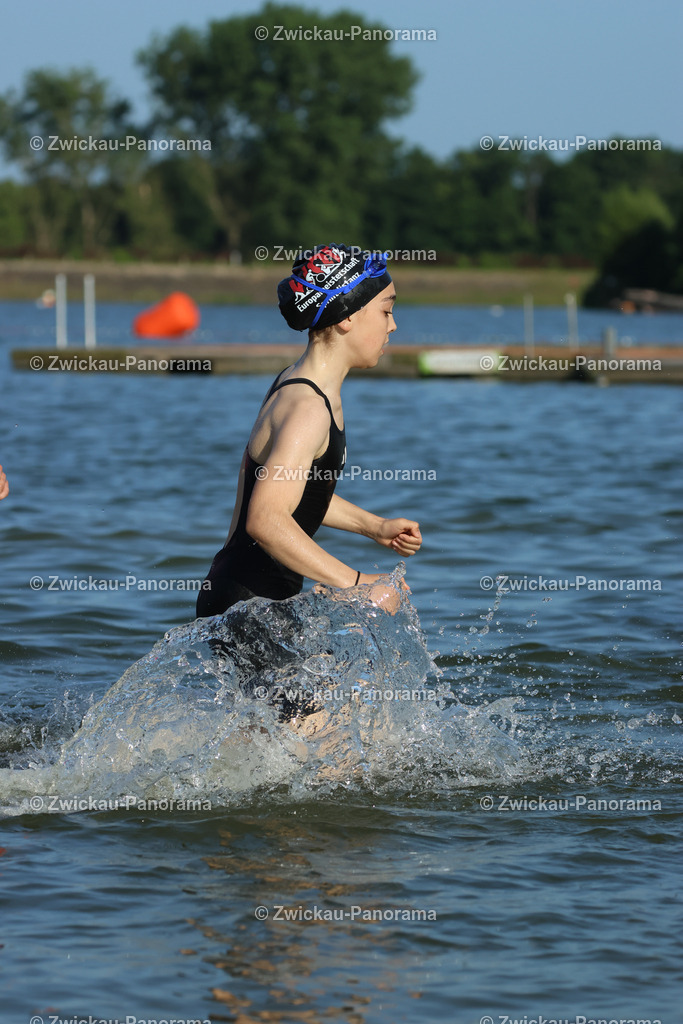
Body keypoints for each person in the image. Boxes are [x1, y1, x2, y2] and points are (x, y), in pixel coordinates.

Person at [196, 244, 422, 620]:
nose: (393, 325)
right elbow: (266, 519)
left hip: (252, 597)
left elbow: (293, 490)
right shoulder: (307, 409)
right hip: (248, 604)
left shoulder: (302, 384)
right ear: (347, 316)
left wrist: (374, 526)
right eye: (386, 311)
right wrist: (357, 584)